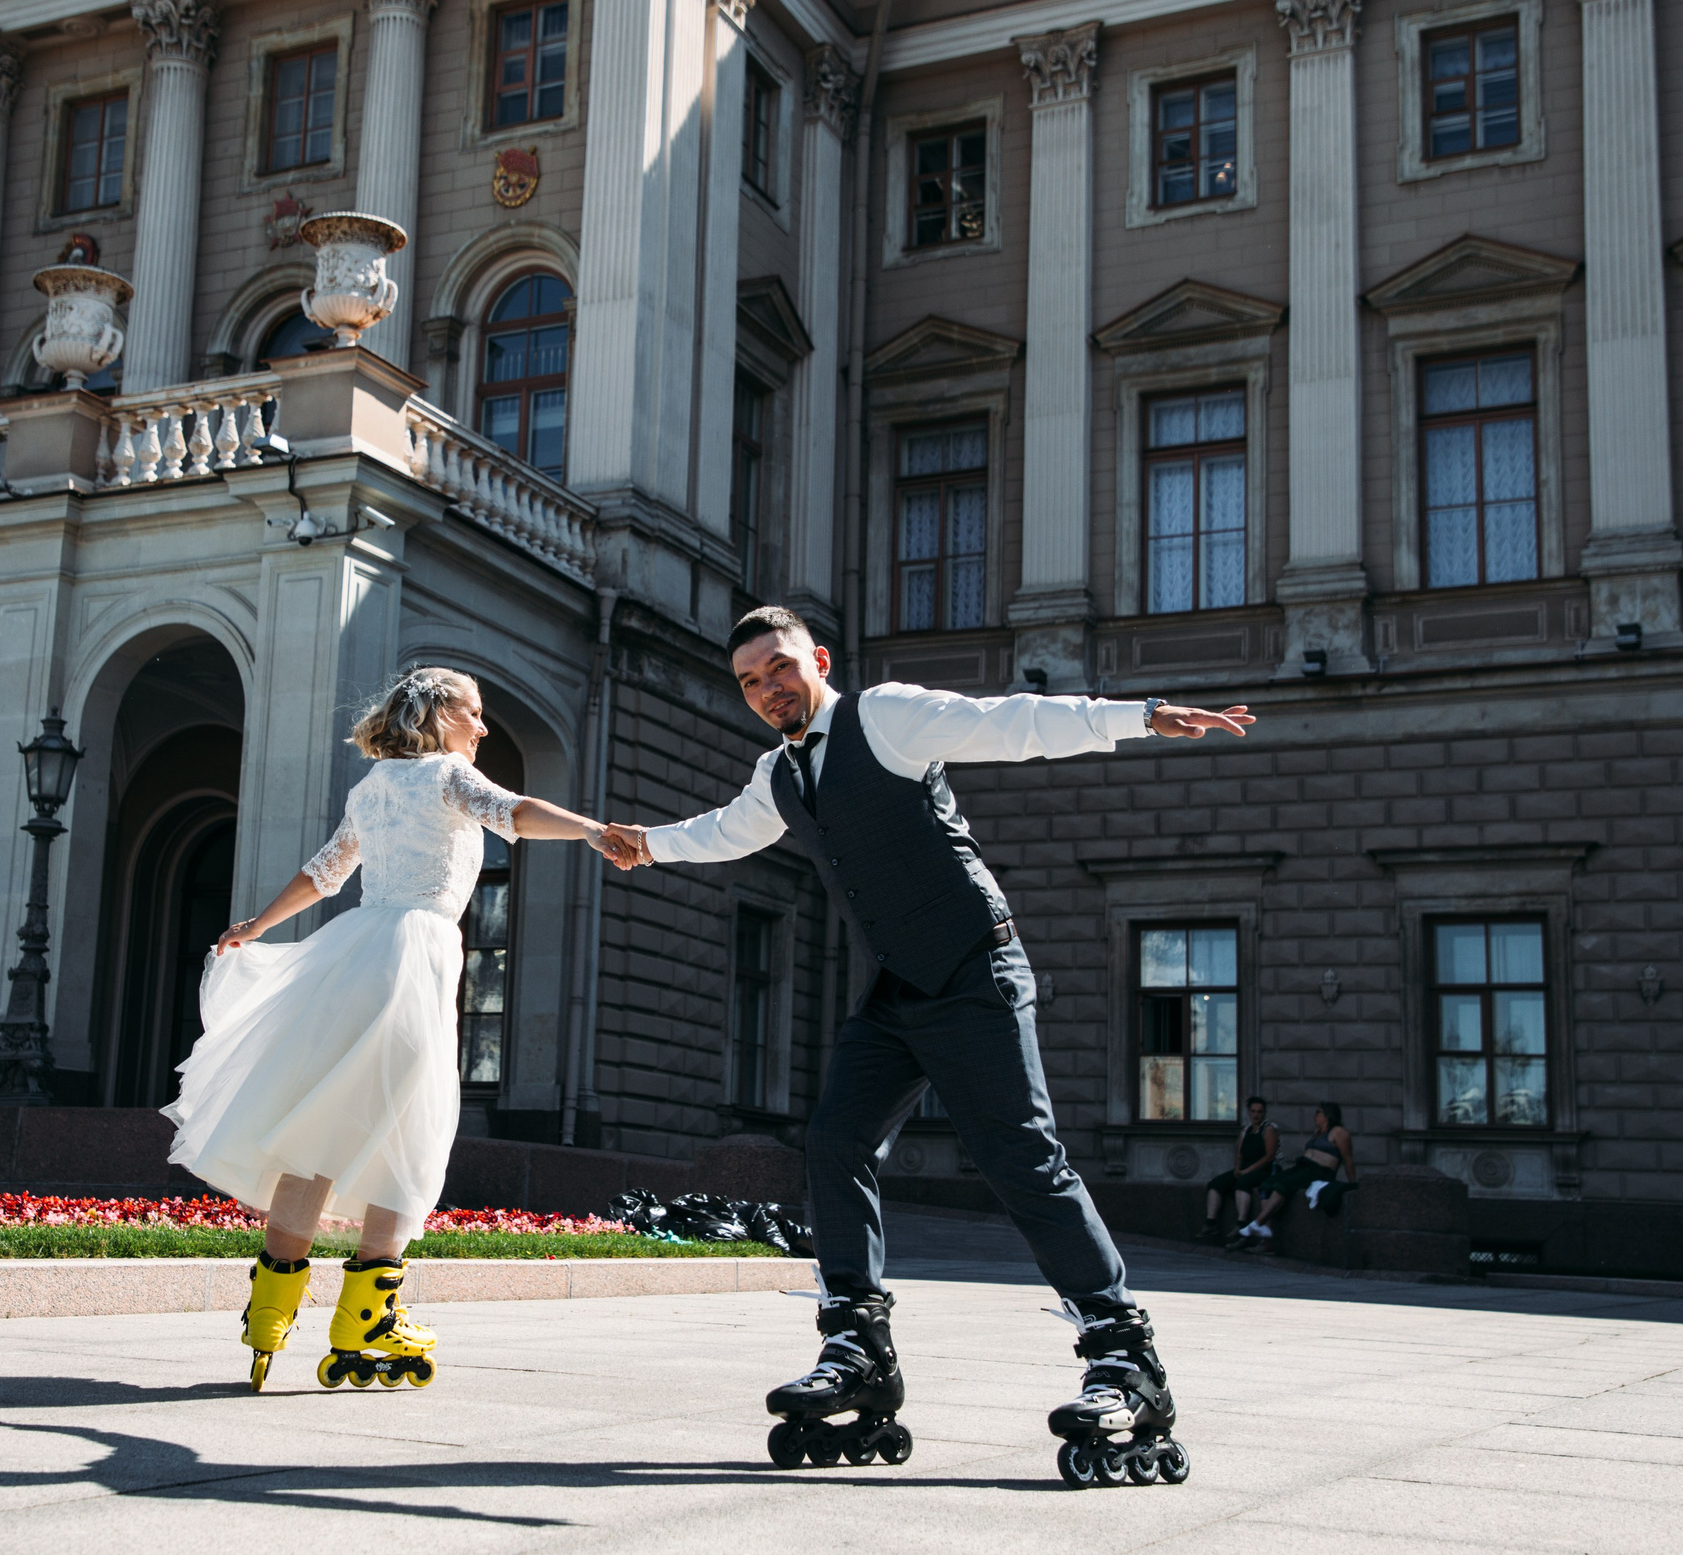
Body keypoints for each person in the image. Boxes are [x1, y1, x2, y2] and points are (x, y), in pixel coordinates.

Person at [597, 606, 1254, 1482]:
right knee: (835, 1139)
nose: (767, 689)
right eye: (751, 681)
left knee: (1020, 1153)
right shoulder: (780, 773)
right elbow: (728, 830)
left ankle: (1124, 1358)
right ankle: (857, 1347)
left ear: (818, 660)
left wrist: (1137, 714)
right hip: (899, 988)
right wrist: (650, 845)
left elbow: (1013, 725)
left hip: (975, 966)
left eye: (780, 667)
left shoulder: (888, 715)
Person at [165, 667, 614, 1393]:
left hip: (358, 951)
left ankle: (270, 1310)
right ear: (440, 715)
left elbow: (324, 873)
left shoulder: (372, 786)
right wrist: (593, 829)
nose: (484, 727)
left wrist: (257, 924)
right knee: (412, 1121)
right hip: (416, 955)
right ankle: (367, 1319)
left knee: (320, 1125)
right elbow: (517, 810)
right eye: (475, 713)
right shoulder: (447, 775)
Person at [1232, 1101, 1358, 1254]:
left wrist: (1353, 1184)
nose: (1315, 1116)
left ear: (1328, 1115)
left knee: (1283, 1186)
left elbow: (1348, 1159)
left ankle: (1258, 1222)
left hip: (1320, 1171)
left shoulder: (1339, 1133)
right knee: (1267, 1184)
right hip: (1303, 1167)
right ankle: (1266, 1235)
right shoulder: (1317, 1132)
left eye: (1318, 1112)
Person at [1199, 1095, 1278, 1243]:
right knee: (1217, 1183)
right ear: (1248, 1111)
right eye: (1253, 1111)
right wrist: (1237, 1169)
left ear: (1264, 1113)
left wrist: (1247, 1171)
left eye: (1259, 1112)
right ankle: (1210, 1222)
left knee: (1243, 1183)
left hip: (1263, 1171)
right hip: (1244, 1169)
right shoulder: (1246, 1130)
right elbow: (1240, 1154)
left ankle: (1241, 1224)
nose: (1256, 1115)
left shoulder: (1268, 1130)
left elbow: (1269, 1156)